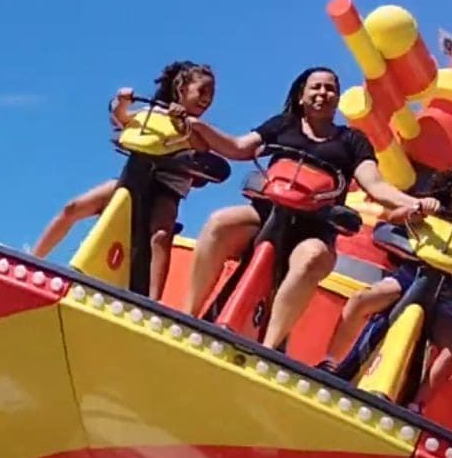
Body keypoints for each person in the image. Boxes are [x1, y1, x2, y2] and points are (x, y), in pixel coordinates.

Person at [182, 67, 437, 349]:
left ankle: (268, 347)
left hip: (316, 225)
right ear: (302, 94)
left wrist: (416, 203)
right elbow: (239, 147)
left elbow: (375, 185)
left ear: (338, 98)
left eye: (330, 89)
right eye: (316, 87)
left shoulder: (352, 140)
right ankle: (188, 314)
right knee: (220, 222)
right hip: (268, 211)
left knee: (311, 257)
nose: (322, 94)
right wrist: (198, 126)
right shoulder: (283, 124)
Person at [31, 61, 216, 299]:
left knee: (160, 234)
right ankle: (34, 259)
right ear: (181, 89)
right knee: (73, 207)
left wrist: (183, 124)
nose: (207, 99)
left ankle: (153, 300)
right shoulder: (152, 113)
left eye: (211, 94)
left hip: (167, 187)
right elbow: (121, 119)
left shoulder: (196, 127)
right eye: (202, 91)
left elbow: (203, 148)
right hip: (134, 177)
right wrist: (122, 102)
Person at [318, 166, 452, 408]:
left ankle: (417, 403)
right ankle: (332, 361)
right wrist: (416, 211)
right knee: (362, 299)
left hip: (444, 292)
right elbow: (394, 218)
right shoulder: (431, 213)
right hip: (409, 276)